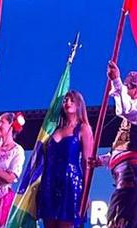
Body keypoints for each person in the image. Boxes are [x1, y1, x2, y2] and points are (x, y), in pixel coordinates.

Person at [100, 62, 137, 228]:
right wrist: (102, 161)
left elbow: (126, 108)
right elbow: (128, 147)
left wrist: (116, 80)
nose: (124, 92)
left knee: (118, 223)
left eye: (128, 87)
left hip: (135, 177)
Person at [38, 90, 94, 228]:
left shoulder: (83, 129)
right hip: (49, 182)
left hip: (71, 183)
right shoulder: (54, 129)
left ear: (79, 104)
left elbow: (87, 163)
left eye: (72, 100)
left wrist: (86, 193)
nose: (67, 103)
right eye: (65, 100)